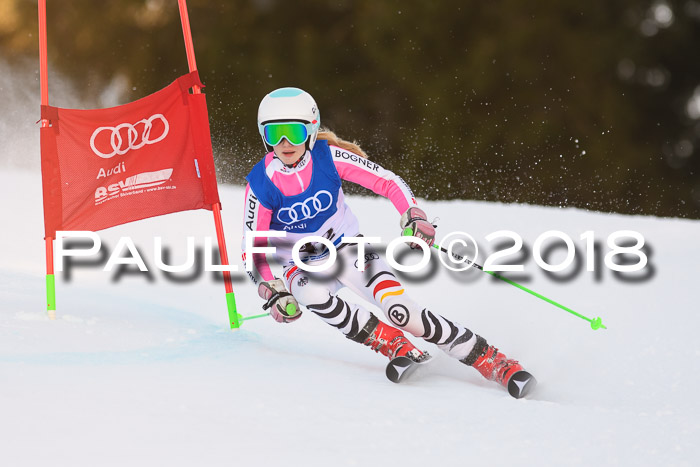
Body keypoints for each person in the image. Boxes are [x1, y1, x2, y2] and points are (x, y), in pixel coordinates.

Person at [241, 87, 535, 398]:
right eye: (274, 133)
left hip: (346, 247)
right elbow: (253, 247)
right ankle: (391, 343)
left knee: (403, 313)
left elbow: (387, 181)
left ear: (311, 130)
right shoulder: (261, 183)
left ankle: (495, 361)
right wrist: (271, 290)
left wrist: (413, 214)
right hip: (298, 264)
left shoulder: (328, 158)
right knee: (312, 294)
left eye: (294, 132)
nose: (285, 143)